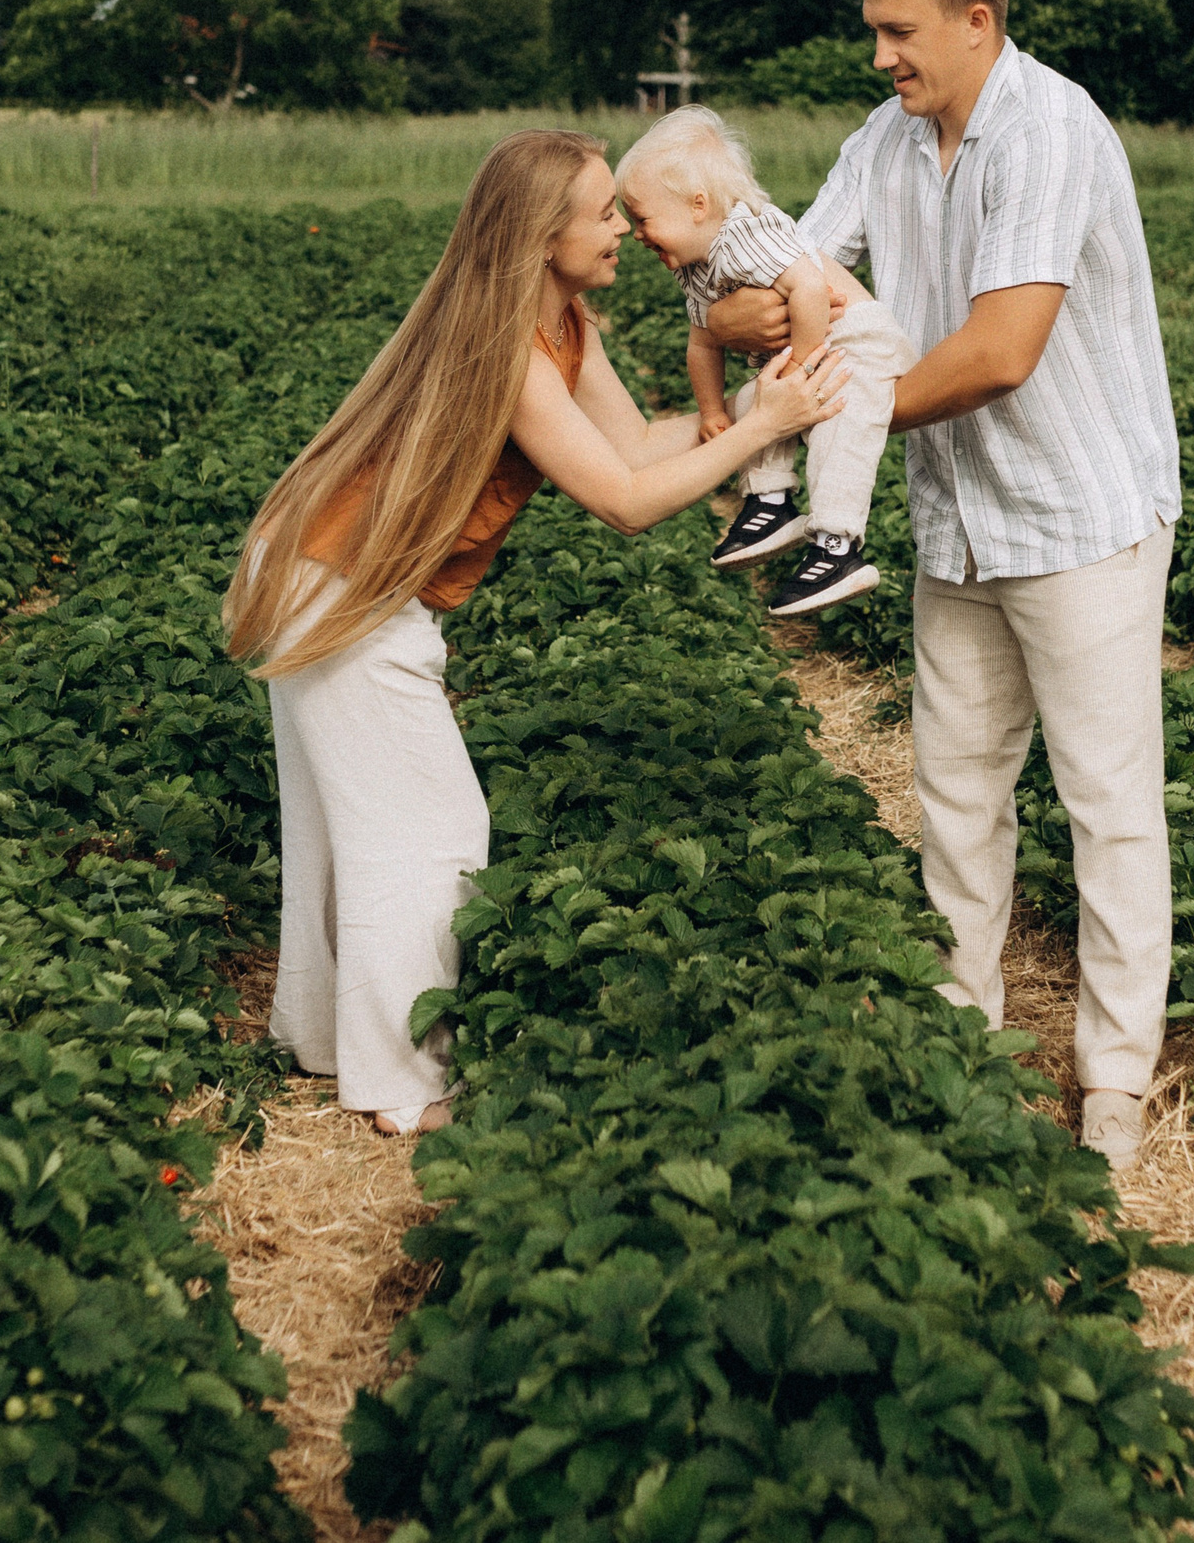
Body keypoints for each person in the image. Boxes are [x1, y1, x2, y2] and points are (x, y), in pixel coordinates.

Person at [223, 129, 851, 1136]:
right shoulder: (508, 346)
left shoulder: (566, 324)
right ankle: (398, 1084)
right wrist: (757, 426)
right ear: (539, 235)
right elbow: (625, 500)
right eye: (603, 213)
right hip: (334, 585)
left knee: (348, 827)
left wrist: (759, 403)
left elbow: (641, 442)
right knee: (429, 833)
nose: (620, 230)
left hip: (328, 571)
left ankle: (324, 1040)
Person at [706, 0, 1183, 1169]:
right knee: (958, 795)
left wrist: (823, 417)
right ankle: (964, 1044)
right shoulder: (885, 138)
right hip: (961, 523)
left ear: (978, 20)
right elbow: (787, 278)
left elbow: (997, 353)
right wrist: (746, 292)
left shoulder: (1049, 129)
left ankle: (1115, 1081)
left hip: (1078, 515)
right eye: (873, 32)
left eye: (897, 33)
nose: (879, 59)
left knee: (1106, 806)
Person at [613, 106, 918, 617]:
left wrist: (801, 366)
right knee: (759, 403)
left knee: (840, 423)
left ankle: (838, 545)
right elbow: (703, 343)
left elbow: (808, 288)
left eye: (643, 219)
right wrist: (712, 411)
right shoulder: (694, 268)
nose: (637, 234)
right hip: (805, 351)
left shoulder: (745, 231)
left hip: (855, 342)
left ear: (697, 205)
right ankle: (771, 503)